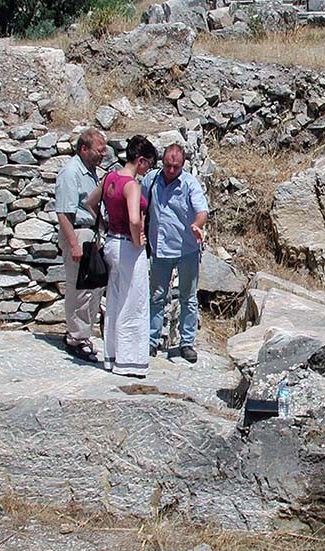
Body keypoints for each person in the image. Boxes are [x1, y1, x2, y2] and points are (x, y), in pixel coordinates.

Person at [90, 135, 157, 378]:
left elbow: (90, 202)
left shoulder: (110, 178)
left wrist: (108, 224)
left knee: (115, 299)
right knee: (134, 302)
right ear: (140, 160)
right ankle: (130, 361)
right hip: (128, 247)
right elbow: (134, 218)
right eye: (148, 163)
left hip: (111, 242)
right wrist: (139, 240)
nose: (148, 168)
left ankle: (112, 354)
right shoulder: (131, 185)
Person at [143, 144, 210, 362]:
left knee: (187, 296)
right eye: (168, 166)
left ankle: (187, 343)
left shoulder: (190, 183)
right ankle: (151, 341)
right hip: (160, 248)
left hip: (186, 249)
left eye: (176, 167)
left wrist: (197, 225)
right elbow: (141, 205)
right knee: (156, 296)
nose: (171, 170)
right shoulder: (151, 179)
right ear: (162, 162)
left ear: (183, 165)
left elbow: (201, 211)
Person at [55, 128, 106, 363]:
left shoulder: (91, 172)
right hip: (77, 234)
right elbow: (64, 213)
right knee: (79, 290)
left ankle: (83, 334)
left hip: (90, 235)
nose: (103, 154)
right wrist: (74, 245)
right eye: (99, 150)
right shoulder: (71, 173)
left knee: (92, 287)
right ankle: (75, 337)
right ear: (84, 149)